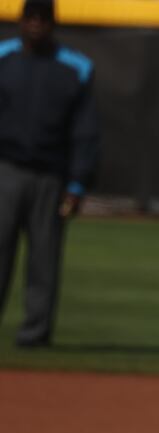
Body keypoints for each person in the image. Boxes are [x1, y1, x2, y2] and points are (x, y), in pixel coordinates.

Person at [0, 0, 99, 348]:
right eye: (31, 18)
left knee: (44, 259)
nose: (37, 25)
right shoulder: (3, 58)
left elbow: (85, 132)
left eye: (44, 19)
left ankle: (34, 334)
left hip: (50, 177)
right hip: (6, 170)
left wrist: (76, 184)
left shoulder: (76, 67)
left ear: (54, 24)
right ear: (21, 20)